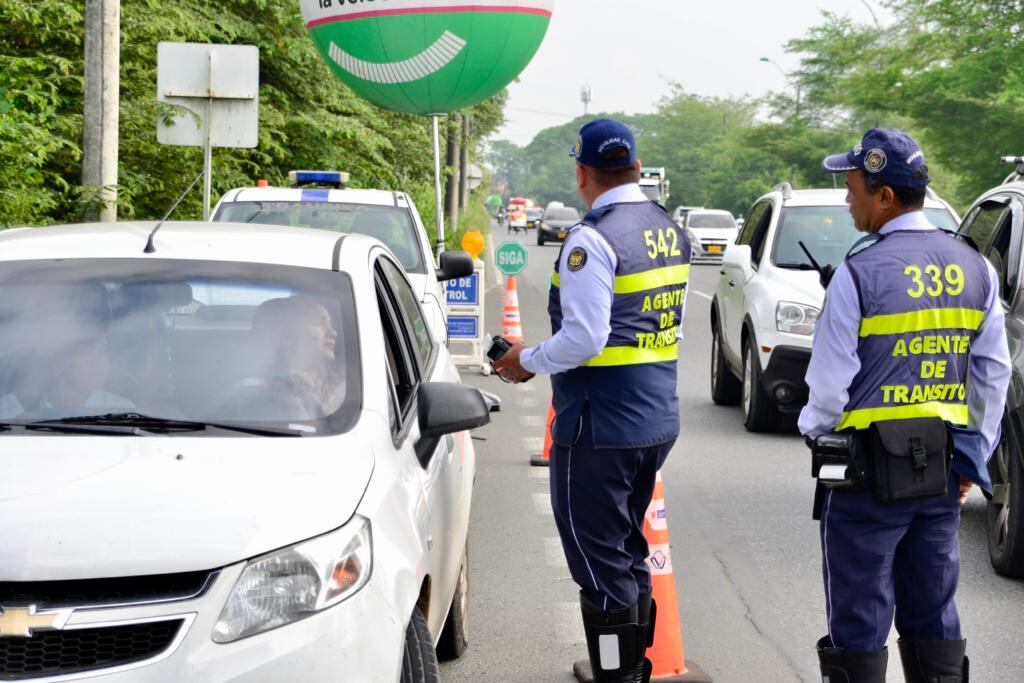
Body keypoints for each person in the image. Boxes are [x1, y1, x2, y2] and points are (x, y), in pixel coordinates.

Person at [800, 128, 1011, 682]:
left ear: (885, 195)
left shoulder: (858, 274)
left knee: (858, 623)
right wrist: (971, 459)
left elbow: (828, 391)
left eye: (853, 190)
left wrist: (818, 437)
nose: (848, 202)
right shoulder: (976, 269)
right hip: (939, 474)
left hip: (864, 479)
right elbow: (992, 375)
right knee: (934, 614)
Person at [493, 118, 691, 683]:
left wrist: (526, 360)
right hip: (654, 417)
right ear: (636, 167)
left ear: (582, 172)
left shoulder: (592, 240)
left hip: (599, 426)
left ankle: (617, 674)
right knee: (626, 549)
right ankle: (634, 668)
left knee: (598, 560)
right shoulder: (668, 228)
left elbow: (585, 338)